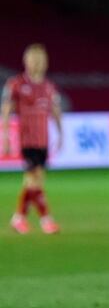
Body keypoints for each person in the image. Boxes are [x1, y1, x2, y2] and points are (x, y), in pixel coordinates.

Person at [1, 43, 63, 234]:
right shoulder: (16, 84)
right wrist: (5, 137)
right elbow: (6, 112)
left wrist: (61, 134)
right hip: (27, 139)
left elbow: (55, 111)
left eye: (40, 60)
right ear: (25, 61)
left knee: (35, 181)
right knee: (34, 179)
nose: (36, 63)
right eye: (33, 60)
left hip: (42, 140)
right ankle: (46, 220)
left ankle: (18, 218)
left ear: (45, 63)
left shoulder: (49, 87)